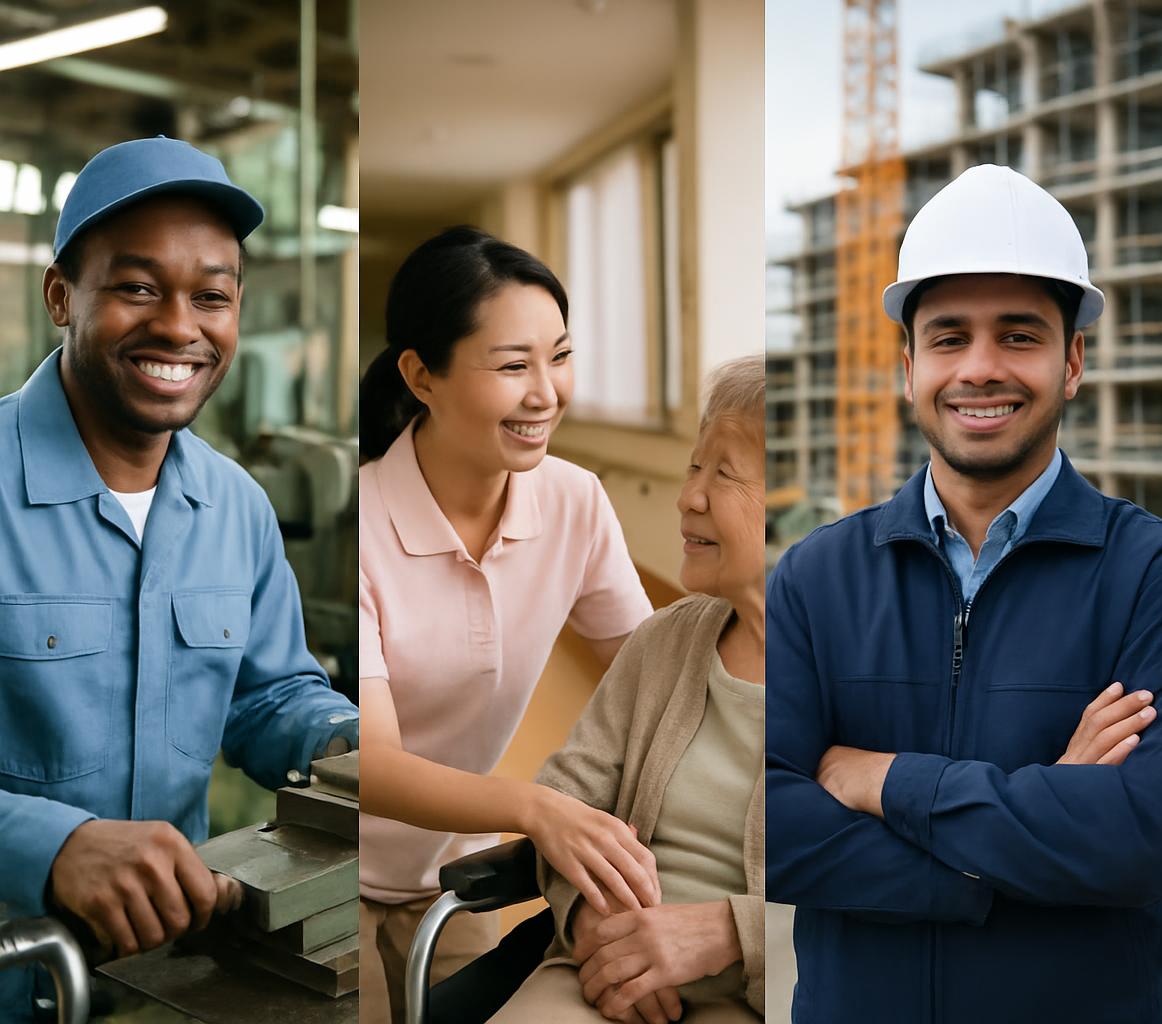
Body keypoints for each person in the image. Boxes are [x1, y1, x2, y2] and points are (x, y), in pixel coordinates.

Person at [765, 165, 1162, 1023]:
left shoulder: (1153, 576)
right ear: (910, 364)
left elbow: (1134, 839)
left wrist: (885, 781)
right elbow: (771, 833)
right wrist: (1022, 836)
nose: (980, 369)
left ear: (1073, 361)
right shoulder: (813, 579)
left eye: (1018, 336)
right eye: (950, 338)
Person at [0, 137, 359, 1022]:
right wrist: (46, 847)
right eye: (136, 287)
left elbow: (266, 696)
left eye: (212, 295)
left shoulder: (235, 507)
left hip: (167, 979)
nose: (178, 326)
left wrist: (347, 745)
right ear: (60, 297)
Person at [357, 227, 656, 1024]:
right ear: (422, 375)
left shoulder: (573, 500)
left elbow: (655, 672)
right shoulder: (361, 523)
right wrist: (536, 807)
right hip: (330, 876)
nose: (547, 392)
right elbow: (372, 765)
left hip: (451, 880)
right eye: (514, 365)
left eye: (559, 357)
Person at [487, 355, 767, 1024]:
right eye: (693, 466)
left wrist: (735, 935)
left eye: (722, 473)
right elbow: (568, 800)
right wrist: (591, 923)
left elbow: (903, 900)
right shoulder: (664, 642)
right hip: (609, 975)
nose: (688, 496)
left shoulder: (877, 673)